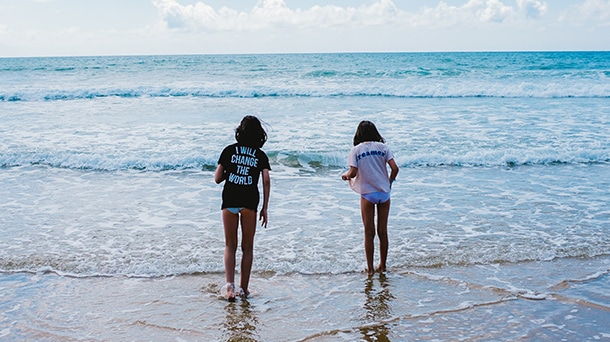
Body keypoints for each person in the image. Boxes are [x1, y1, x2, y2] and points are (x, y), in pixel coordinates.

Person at [215, 115, 271, 300]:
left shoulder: (229, 151)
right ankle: (244, 289)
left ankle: (230, 288)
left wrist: (232, 171)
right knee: (247, 247)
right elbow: (266, 179)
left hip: (230, 198)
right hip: (249, 201)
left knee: (230, 245)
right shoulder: (260, 155)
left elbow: (217, 178)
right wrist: (265, 207)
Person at [341, 121, 399, 276]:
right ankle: (383, 265)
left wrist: (345, 176)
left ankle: (371, 269)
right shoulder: (384, 148)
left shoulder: (356, 150)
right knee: (382, 231)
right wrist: (389, 181)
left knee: (368, 232)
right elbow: (395, 168)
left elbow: (352, 173)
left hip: (368, 194)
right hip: (384, 193)